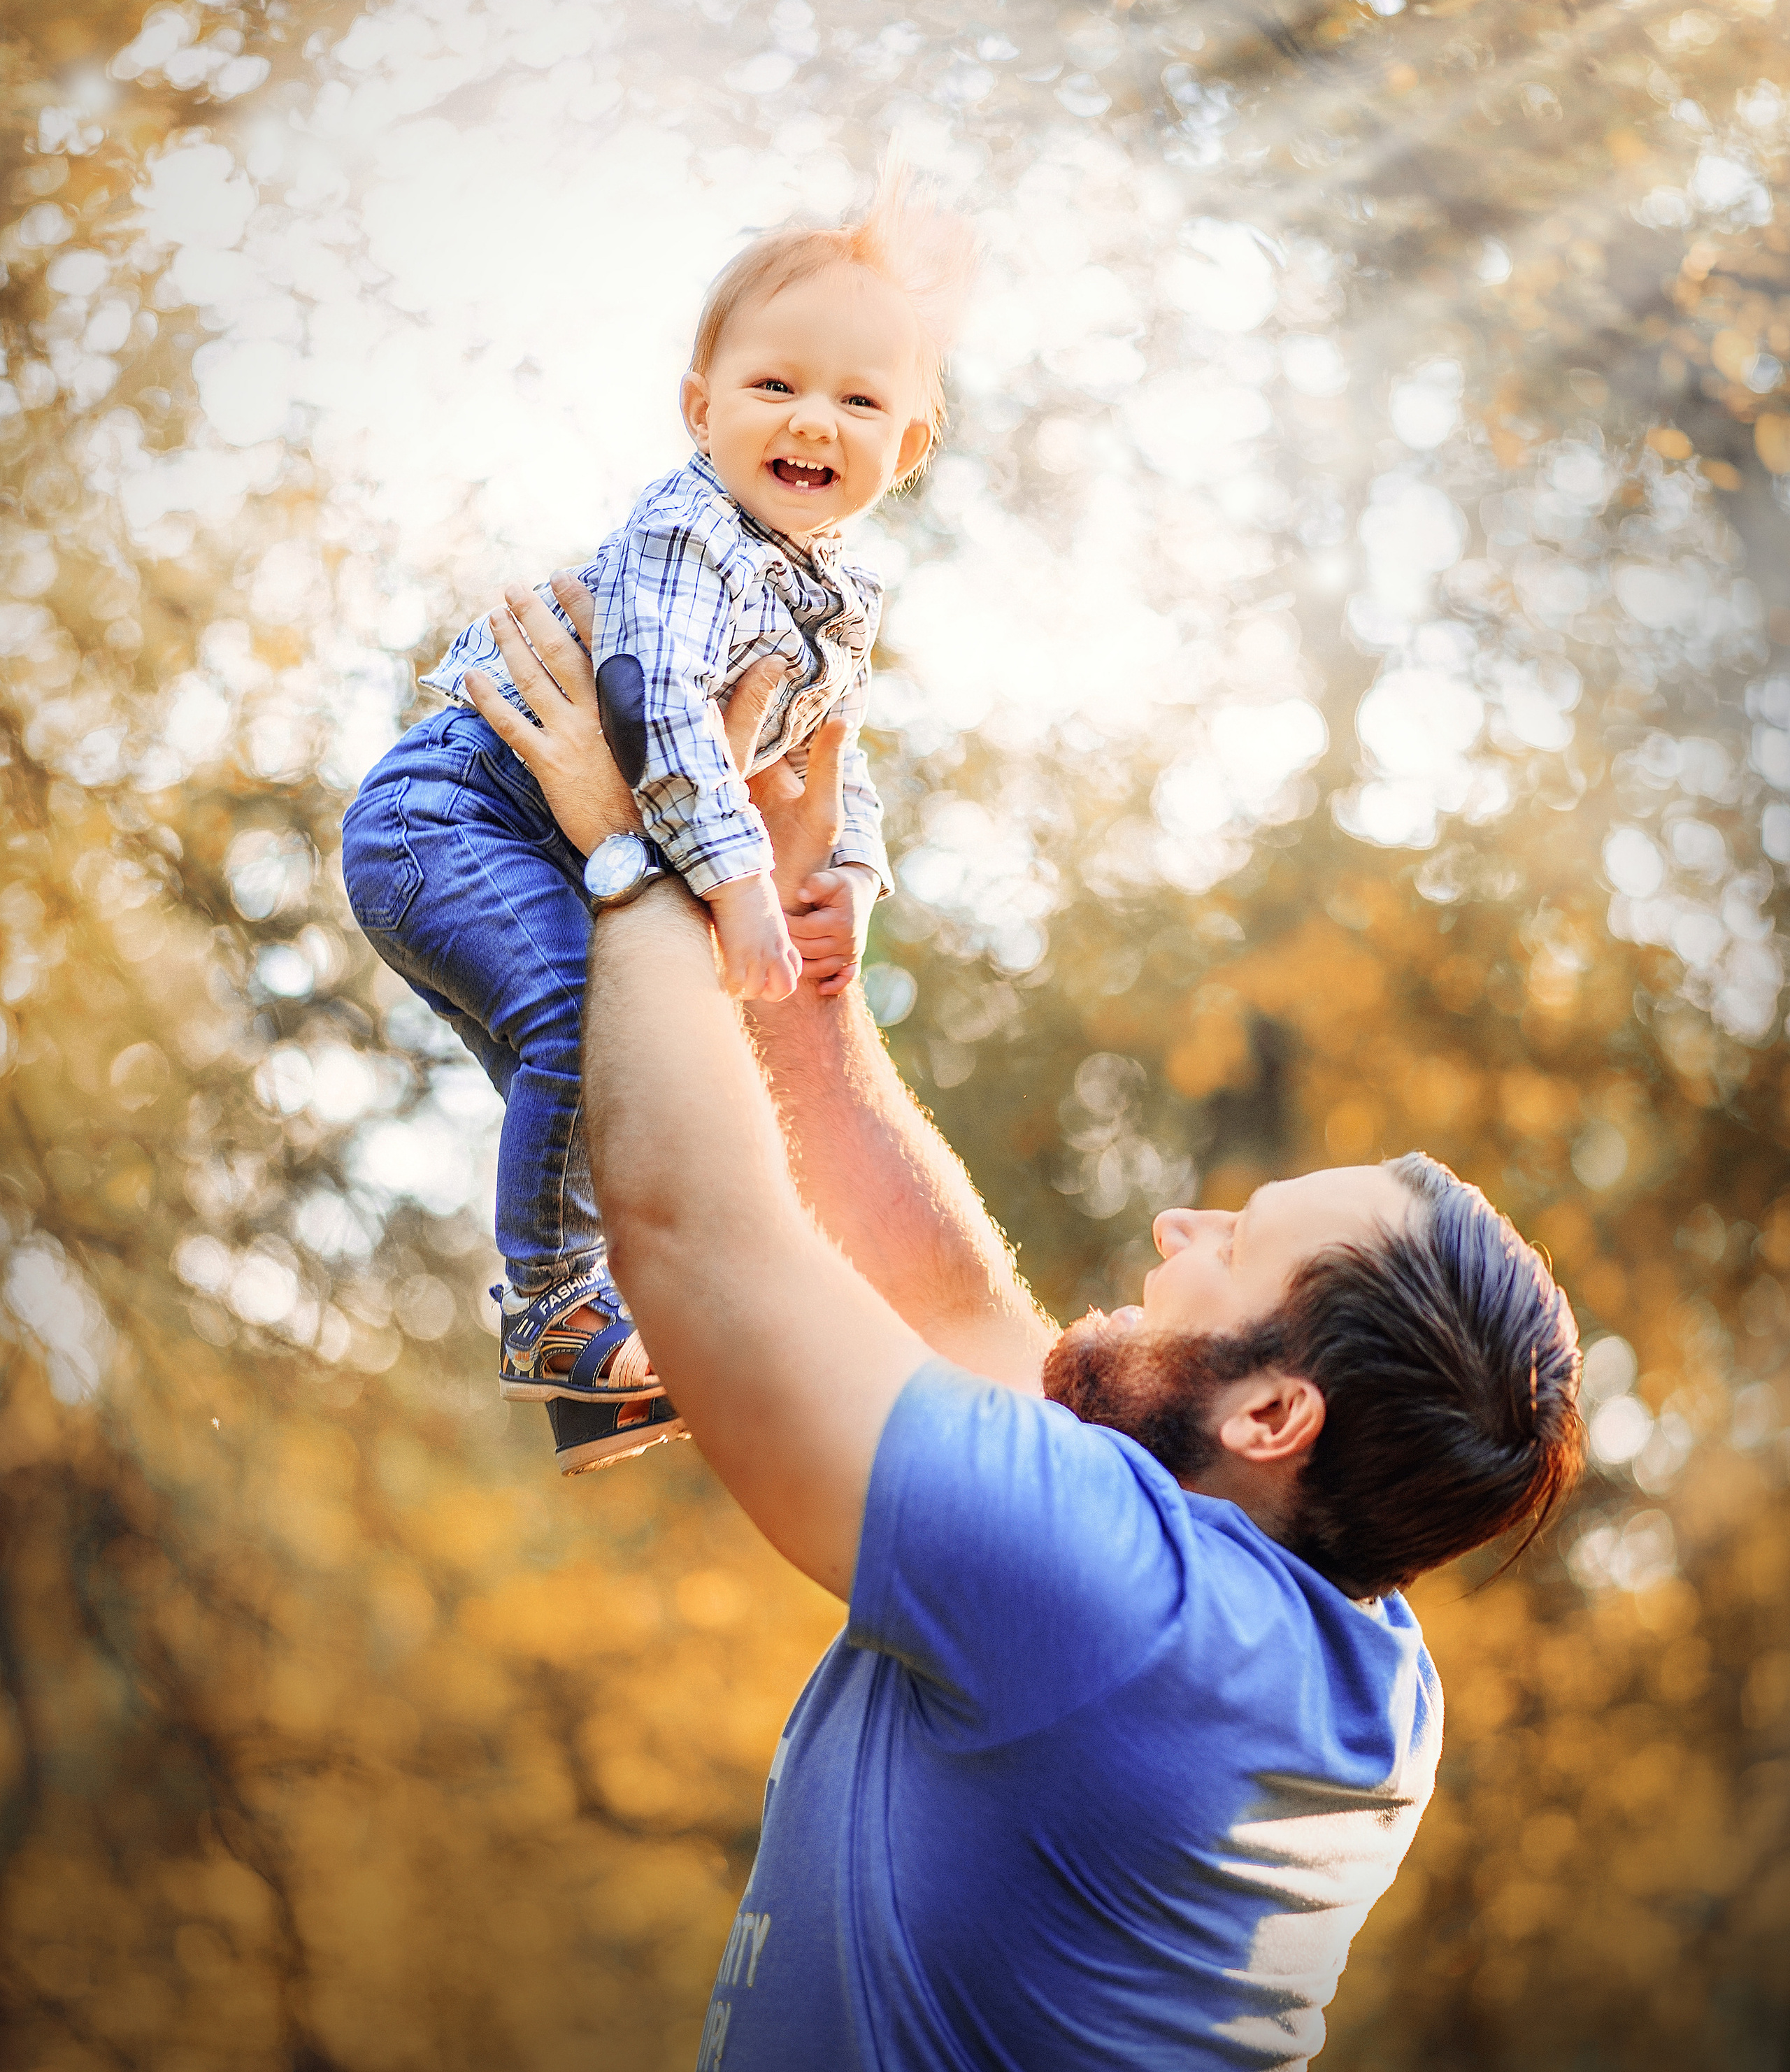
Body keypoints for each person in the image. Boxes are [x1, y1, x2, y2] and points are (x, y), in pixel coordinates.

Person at [466, 583, 1588, 2071]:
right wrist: (807, 987)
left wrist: (637, 853)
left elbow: (692, 1237)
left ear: (1271, 1416)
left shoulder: (1113, 1609)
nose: (1178, 1228)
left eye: (1233, 1245)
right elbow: (956, 1316)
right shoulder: (1346, 1653)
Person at [338, 164, 978, 1473]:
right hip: (450, 823)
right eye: (776, 385)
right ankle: (549, 1312)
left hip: (527, 846)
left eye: (861, 400)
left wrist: (849, 875)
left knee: (606, 1075)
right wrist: (740, 884)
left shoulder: (835, 598)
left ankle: (598, 1366)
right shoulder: (693, 537)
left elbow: (828, 760)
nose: (815, 420)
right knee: (579, 1022)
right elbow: (654, 713)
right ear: (702, 410)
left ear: (907, 450)